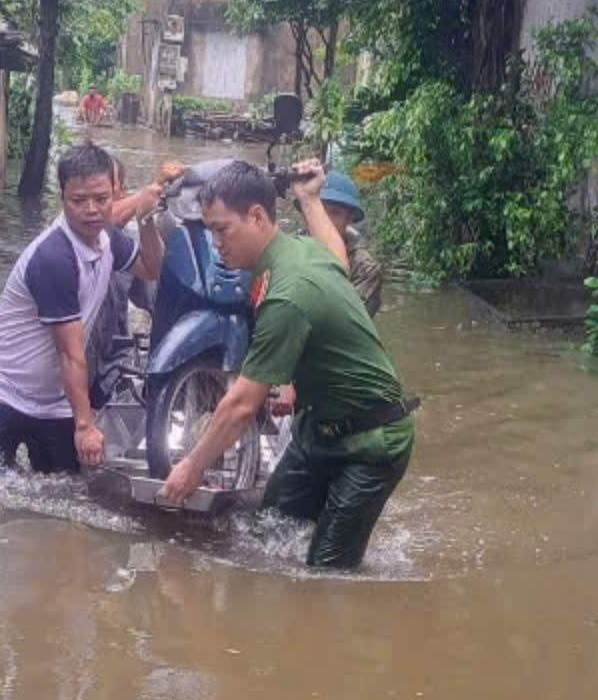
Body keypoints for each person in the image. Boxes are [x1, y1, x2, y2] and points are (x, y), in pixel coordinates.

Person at [159, 158, 414, 569]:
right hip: (319, 429)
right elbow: (338, 256)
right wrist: (309, 199)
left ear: (257, 216)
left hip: (372, 443)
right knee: (265, 532)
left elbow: (242, 404)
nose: (216, 243)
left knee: (325, 574)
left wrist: (191, 466)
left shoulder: (287, 292)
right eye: (210, 232)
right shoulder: (301, 251)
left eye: (222, 229)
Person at [0, 142, 178, 473]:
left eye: (101, 199)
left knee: (65, 498)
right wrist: (84, 425)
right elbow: (70, 352)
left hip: (53, 401)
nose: (91, 210)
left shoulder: (109, 240)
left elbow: (153, 270)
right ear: (62, 197)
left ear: (115, 193)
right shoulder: (55, 257)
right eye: (79, 201)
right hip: (2, 391)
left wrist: (147, 219)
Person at [306, 169, 383, 315]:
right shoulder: (294, 248)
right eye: (320, 210)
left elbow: (349, 323)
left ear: (349, 219)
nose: (325, 219)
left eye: (335, 213)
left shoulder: (365, 268)